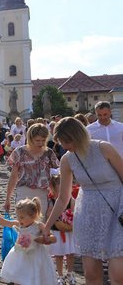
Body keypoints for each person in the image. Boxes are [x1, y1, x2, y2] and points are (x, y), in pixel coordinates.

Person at [44, 117, 123, 285]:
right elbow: (63, 197)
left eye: (67, 141)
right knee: (91, 275)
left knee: (118, 275)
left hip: (117, 210)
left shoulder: (104, 148)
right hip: (88, 213)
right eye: (61, 142)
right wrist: (47, 225)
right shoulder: (67, 159)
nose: (65, 146)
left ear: (78, 135)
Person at [0, 197, 57, 285]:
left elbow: (53, 237)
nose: (19, 219)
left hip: (36, 256)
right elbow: (4, 222)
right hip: (20, 255)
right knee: (19, 277)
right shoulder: (19, 224)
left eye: (22, 217)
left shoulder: (39, 226)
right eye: (18, 216)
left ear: (33, 215)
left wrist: (49, 238)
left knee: (34, 276)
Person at [5, 124, 59, 216]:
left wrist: (56, 193)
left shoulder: (49, 153)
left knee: (41, 224)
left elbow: (56, 174)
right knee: (24, 224)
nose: (41, 143)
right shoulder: (19, 152)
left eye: (43, 140)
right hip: (23, 191)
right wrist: (7, 199)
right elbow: (13, 177)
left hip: (42, 192)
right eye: (37, 140)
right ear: (30, 138)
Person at [46, 173, 77, 285]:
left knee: (70, 254)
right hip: (57, 232)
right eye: (59, 186)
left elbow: (74, 213)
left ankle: (70, 272)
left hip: (68, 232)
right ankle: (60, 275)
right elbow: (49, 214)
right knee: (58, 254)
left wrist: (69, 219)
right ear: (54, 188)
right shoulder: (51, 201)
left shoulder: (71, 200)